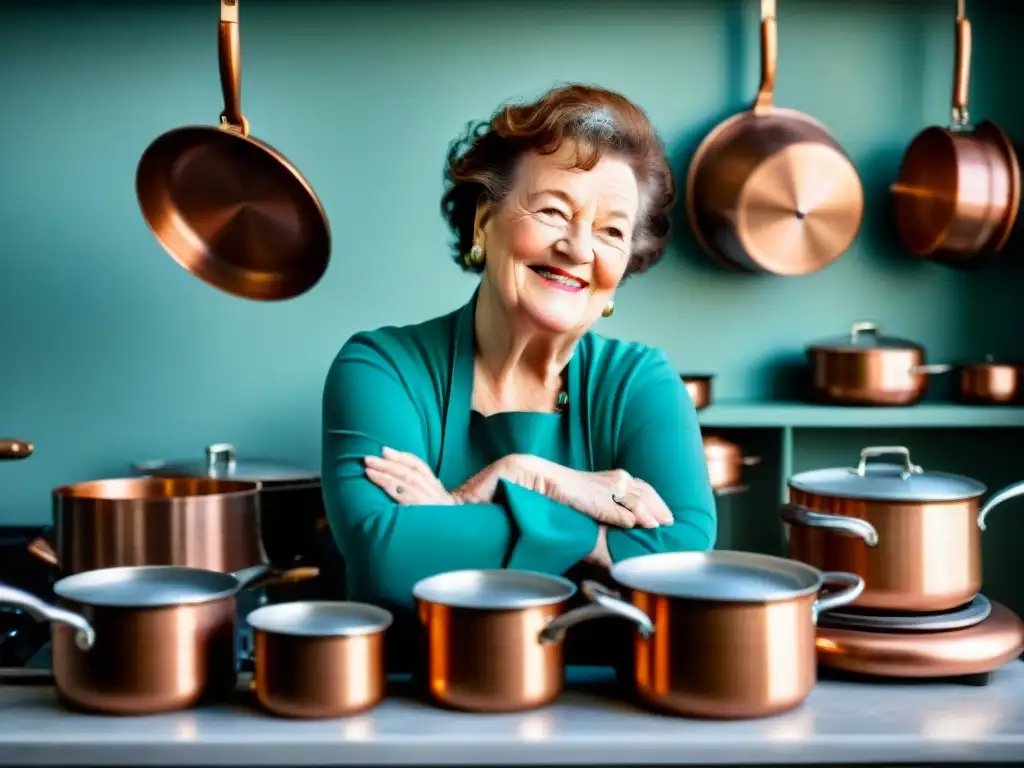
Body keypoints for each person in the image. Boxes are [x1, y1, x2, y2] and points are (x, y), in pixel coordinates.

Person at [322, 84, 717, 638]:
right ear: (485, 221)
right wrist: (560, 502)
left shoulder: (640, 382)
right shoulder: (381, 367)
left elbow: (681, 554)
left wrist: (456, 514)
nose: (580, 249)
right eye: (555, 211)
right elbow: (387, 557)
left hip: (598, 703)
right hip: (407, 702)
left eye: (610, 231)